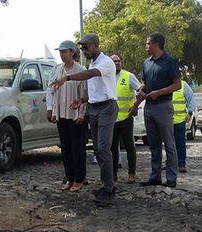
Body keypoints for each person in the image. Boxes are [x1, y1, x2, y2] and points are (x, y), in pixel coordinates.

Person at [51, 34, 118, 203]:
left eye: (85, 47)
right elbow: (95, 91)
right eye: (81, 48)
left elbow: (90, 74)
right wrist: (81, 100)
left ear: (95, 45)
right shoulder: (93, 62)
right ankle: (106, 186)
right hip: (94, 108)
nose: (83, 51)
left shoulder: (105, 62)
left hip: (106, 108)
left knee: (103, 148)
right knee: (97, 149)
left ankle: (109, 189)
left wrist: (68, 77)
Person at [131, 33, 181, 188]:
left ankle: (171, 179)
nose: (146, 46)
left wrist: (158, 92)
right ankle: (155, 176)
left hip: (163, 106)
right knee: (153, 144)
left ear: (156, 44)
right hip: (149, 107)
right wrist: (140, 92)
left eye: (147, 43)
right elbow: (144, 83)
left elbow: (177, 85)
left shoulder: (170, 61)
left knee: (169, 144)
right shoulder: (146, 63)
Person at [46, 40, 88, 192]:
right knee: (66, 148)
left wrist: (82, 114)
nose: (62, 55)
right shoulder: (57, 70)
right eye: (60, 52)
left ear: (72, 52)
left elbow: (84, 94)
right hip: (61, 114)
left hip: (75, 114)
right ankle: (69, 177)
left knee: (78, 148)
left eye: (65, 52)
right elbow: (50, 90)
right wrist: (50, 109)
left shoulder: (80, 70)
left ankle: (79, 178)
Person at [110, 53, 141, 184]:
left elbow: (141, 91)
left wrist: (135, 106)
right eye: (114, 61)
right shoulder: (105, 77)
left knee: (129, 147)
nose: (116, 63)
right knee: (112, 148)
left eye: (118, 61)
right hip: (111, 119)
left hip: (126, 118)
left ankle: (132, 173)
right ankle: (113, 174)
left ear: (121, 63)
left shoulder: (129, 76)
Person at [171, 81, 196, 173]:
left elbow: (191, 98)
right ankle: (170, 163)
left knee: (180, 142)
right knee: (168, 144)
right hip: (167, 120)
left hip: (180, 120)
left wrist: (189, 113)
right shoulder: (164, 82)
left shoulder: (183, 85)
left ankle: (181, 164)